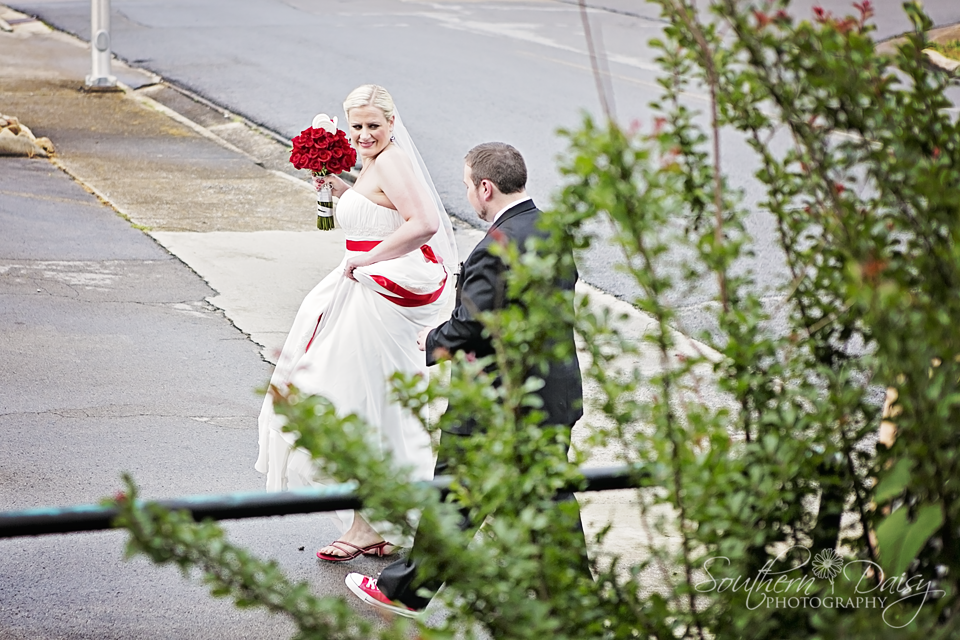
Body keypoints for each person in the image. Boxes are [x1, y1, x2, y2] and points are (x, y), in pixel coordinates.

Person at [344, 142, 586, 616]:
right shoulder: (552, 230)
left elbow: (474, 324)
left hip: (496, 400)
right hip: (554, 390)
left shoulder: (494, 248)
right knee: (550, 499)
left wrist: (434, 339)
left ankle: (405, 593)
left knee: (453, 497)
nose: (468, 195)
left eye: (467, 186)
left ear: (486, 188)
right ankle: (575, 603)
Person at [256, 85, 458, 561]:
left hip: (378, 297)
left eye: (373, 125)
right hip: (364, 289)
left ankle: (369, 524)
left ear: (392, 123)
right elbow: (381, 214)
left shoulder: (390, 160)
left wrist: (368, 263)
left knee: (358, 402)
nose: (364, 135)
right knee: (363, 402)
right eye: (357, 126)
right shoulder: (375, 163)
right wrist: (337, 190)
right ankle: (378, 521)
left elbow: (424, 223)